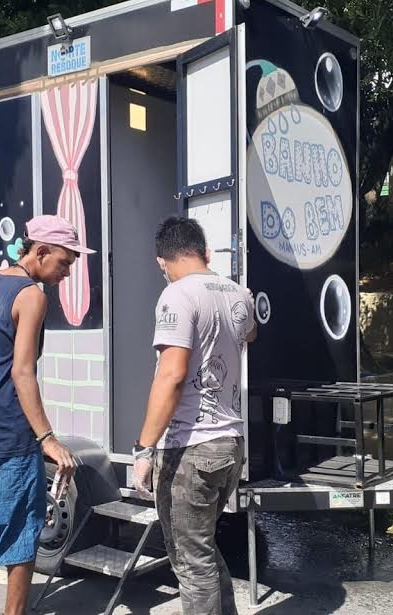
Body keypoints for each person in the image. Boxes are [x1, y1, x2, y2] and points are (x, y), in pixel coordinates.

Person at [0, 214, 94, 615]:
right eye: (64, 262)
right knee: (22, 533)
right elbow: (22, 371)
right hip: (7, 435)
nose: (67, 271)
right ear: (41, 252)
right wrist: (48, 437)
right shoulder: (32, 296)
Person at [132, 216, 257, 615]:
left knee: (190, 560)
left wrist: (144, 448)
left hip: (192, 447)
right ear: (205, 252)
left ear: (161, 261)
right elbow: (251, 334)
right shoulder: (238, 293)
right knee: (200, 548)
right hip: (231, 444)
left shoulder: (176, 295)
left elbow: (171, 375)